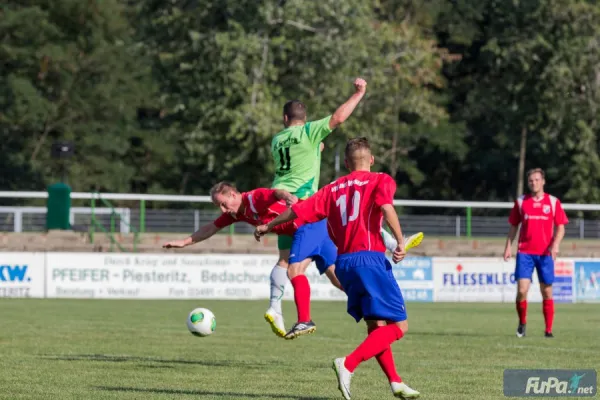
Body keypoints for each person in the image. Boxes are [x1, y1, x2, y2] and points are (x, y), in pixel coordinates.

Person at [255, 137, 421, 399]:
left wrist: (268, 225)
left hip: (343, 264)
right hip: (370, 259)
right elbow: (387, 208)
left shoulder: (332, 189)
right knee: (399, 327)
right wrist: (400, 242)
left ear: (346, 163)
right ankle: (349, 363)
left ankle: (395, 382)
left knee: (376, 326)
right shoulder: (381, 179)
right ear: (372, 159)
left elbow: (297, 211)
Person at [162, 182, 343, 339]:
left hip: (308, 226)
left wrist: (288, 196)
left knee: (294, 271)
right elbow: (211, 228)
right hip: (320, 226)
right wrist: (184, 242)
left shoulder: (253, 198)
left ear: (233, 195)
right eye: (219, 206)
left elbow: (275, 193)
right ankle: (370, 305)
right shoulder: (237, 213)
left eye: (223, 204)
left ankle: (305, 320)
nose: (223, 210)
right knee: (339, 280)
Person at [265, 77, 369, 338]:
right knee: (321, 271)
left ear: (285, 118)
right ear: (305, 117)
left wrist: (317, 148)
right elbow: (338, 117)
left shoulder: (277, 140)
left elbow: (306, 154)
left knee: (295, 266)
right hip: (305, 204)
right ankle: (373, 305)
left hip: (287, 207)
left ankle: (284, 311)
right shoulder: (309, 131)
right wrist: (358, 93)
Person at [503, 168, 569, 338]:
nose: (534, 183)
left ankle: (548, 330)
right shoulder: (521, 202)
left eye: (537, 180)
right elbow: (513, 226)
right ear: (528, 183)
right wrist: (508, 246)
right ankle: (522, 323)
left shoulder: (553, 202)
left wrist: (555, 245)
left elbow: (561, 227)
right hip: (525, 252)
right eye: (531, 180)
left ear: (543, 181)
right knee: (522, 290)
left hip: (545, 254)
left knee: (547, 291)